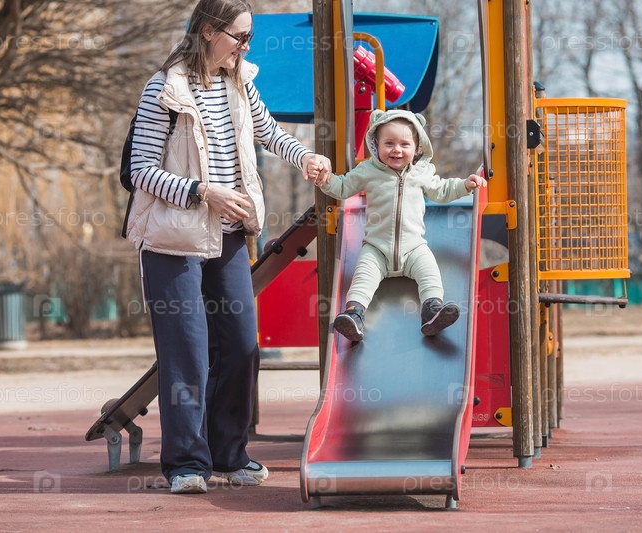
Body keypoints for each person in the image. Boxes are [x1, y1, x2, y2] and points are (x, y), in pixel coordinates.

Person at [124, 0, 330, 495]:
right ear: (208, 31)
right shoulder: (164, 89)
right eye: (240, 37)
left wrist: (306, 157)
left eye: (249, 37)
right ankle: (186, 464)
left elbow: (269, 132)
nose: (246, 47)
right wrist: (204, 192)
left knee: (240, 346)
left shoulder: (239, 83)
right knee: (187, 353)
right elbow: (140, 172)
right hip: (172, 240)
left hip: (229, 236)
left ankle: (229, 453)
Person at [315, 109, 486, 342]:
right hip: (376, 248)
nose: (397, 149)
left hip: (414, 247)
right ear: (376, 144)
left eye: (405, 144)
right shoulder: (368, 171)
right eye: (389, 143)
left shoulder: (421, 172)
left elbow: (442, 190)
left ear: (417, 147)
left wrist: (465, 185)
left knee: (430, 275)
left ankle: (432, 310)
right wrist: (325, 180)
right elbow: (343, 187)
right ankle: (354, 315)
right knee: (362, 280)